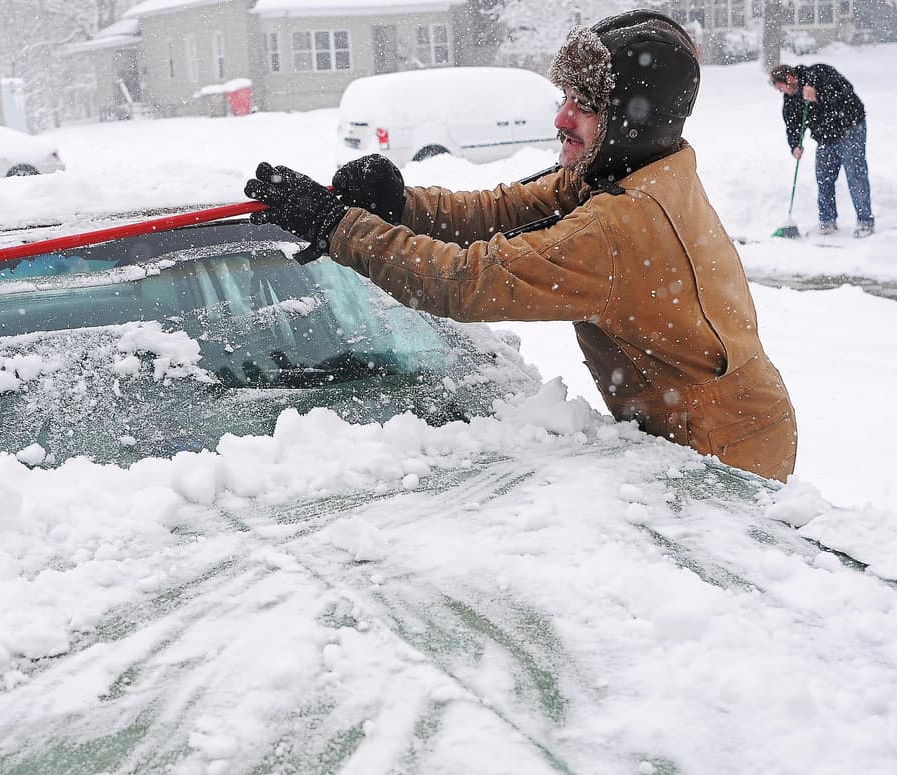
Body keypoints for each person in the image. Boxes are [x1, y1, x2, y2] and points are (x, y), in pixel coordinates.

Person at [244, 9, 797, 482]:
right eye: (566, 97)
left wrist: (341, 227)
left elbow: (465, 282)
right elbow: (504, 209)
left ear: (636, 120)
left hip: (722, 448)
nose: (561, 118)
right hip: (720, 420)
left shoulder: (617, 225)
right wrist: (402, 205)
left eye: (585, 104)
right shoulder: (641, 166)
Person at [770, 63, 873, 238]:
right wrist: (795, 145)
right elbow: (792, 125)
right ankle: (827, 221)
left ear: (790, 78)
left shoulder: (819, 73)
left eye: (782, 88)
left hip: (850, 128)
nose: (783, 93)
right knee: (824, 177)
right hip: (826, 136)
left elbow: (845, 91)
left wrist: (818, 94)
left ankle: (865, 221)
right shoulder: (791, 98)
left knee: (855, 174)